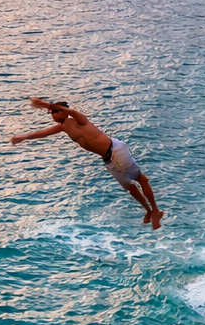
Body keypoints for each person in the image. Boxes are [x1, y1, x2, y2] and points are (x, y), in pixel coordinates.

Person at [10, 98, 164, 229]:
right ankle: (148, 211)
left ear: (64, 111)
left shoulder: (78, 120)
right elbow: (42, 133)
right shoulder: (63, 127)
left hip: (116, 150)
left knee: (141, 180)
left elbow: (72, 112)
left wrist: (45, 104)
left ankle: (155, 210)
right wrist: (23, 138)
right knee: (130, 188)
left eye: (55, 112)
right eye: (51, 114)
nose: (53, 116)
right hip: (107, 159)